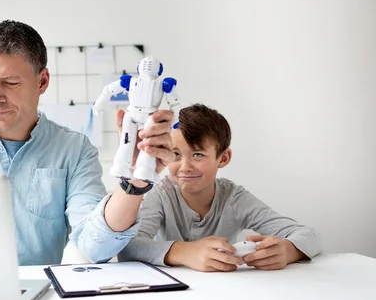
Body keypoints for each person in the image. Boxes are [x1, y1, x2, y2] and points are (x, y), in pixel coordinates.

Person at [0, 20, 176, 266]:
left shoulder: (75, 150)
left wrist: (133, 184)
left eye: (10, 83)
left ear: (42, 81)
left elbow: (95, 247)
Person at [118, 103, 322, 271]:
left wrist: (287, 250)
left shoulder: (234, 198)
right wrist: (185, 252)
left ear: (223, 158)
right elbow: (128, 247)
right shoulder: (161, 194)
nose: (185, 167)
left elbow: (311, 235)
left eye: (197, 154)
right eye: (176, 154)